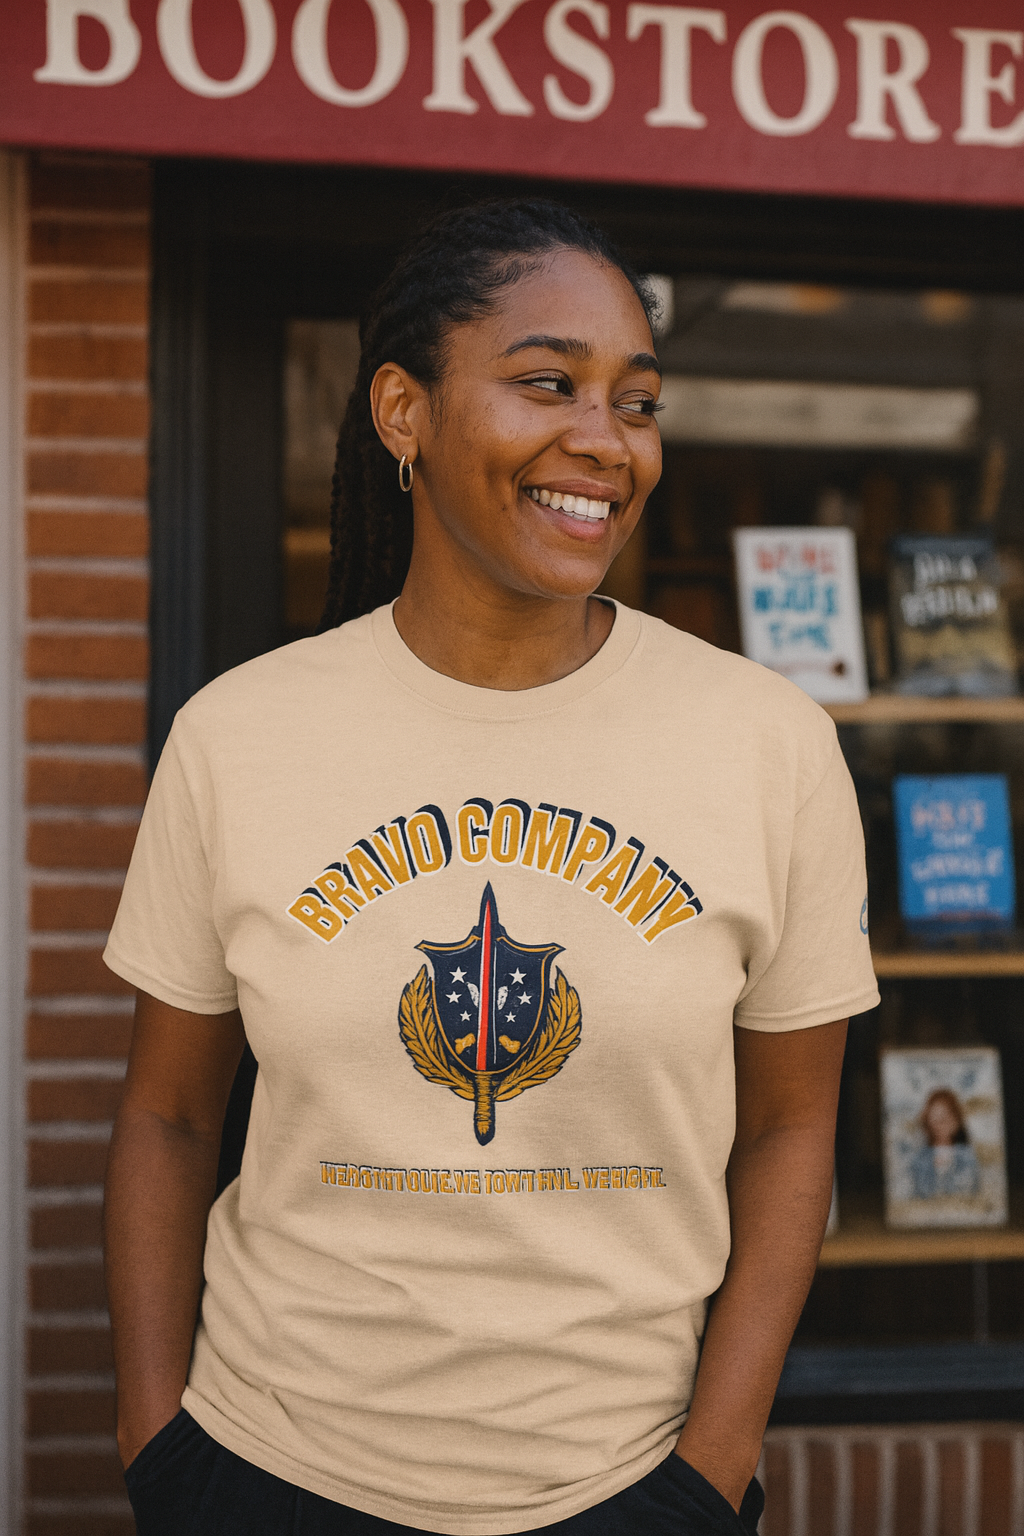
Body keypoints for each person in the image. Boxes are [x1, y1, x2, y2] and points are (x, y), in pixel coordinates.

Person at [103, 199, 879, 1536]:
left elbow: (795, 1127)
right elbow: (169, 1118)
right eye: (546, 383)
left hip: (627, 1485)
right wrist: (157, 1443)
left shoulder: (769, 745)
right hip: (272, 1468)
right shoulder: (240, 737)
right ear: (403, 412)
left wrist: (711, 1470)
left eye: (636, 402)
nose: (604, 440)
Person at [910, 1088, 980, 1201]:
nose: (939, 1125)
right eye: (934, 1119)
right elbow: (917, 1195)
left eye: (944, 1118)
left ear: (956, 1121)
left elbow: (972, 1193)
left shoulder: (967, 1157)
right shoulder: (920, 1159)